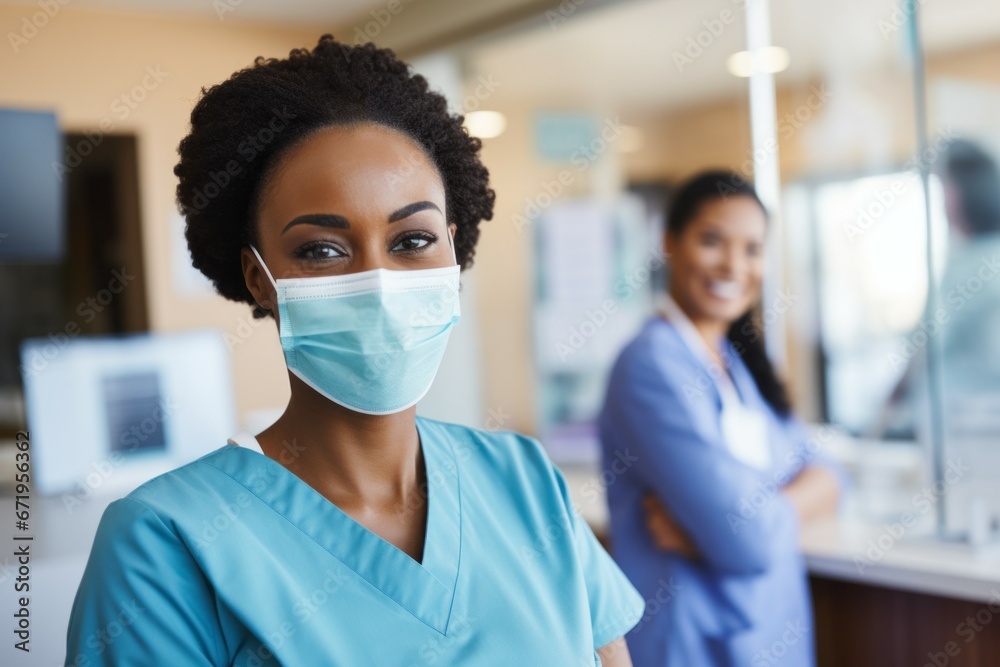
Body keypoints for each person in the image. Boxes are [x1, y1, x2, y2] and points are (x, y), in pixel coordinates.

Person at [66, 35, 643, 666]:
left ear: (452, 249)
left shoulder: (524, 481)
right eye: (322, 250)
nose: (380, 283)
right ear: (261, 277)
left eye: (412, 240)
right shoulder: (166, 543)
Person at [598, 171, 845, 666]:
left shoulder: (737, 366)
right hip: (692, 643)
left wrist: (727, 526)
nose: (734, 264)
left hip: (768, 637)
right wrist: (744, 526)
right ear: (670, 243)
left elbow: (832, 476)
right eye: (712, 240)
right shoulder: (651, 366)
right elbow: (748, 542)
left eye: (752, 248)